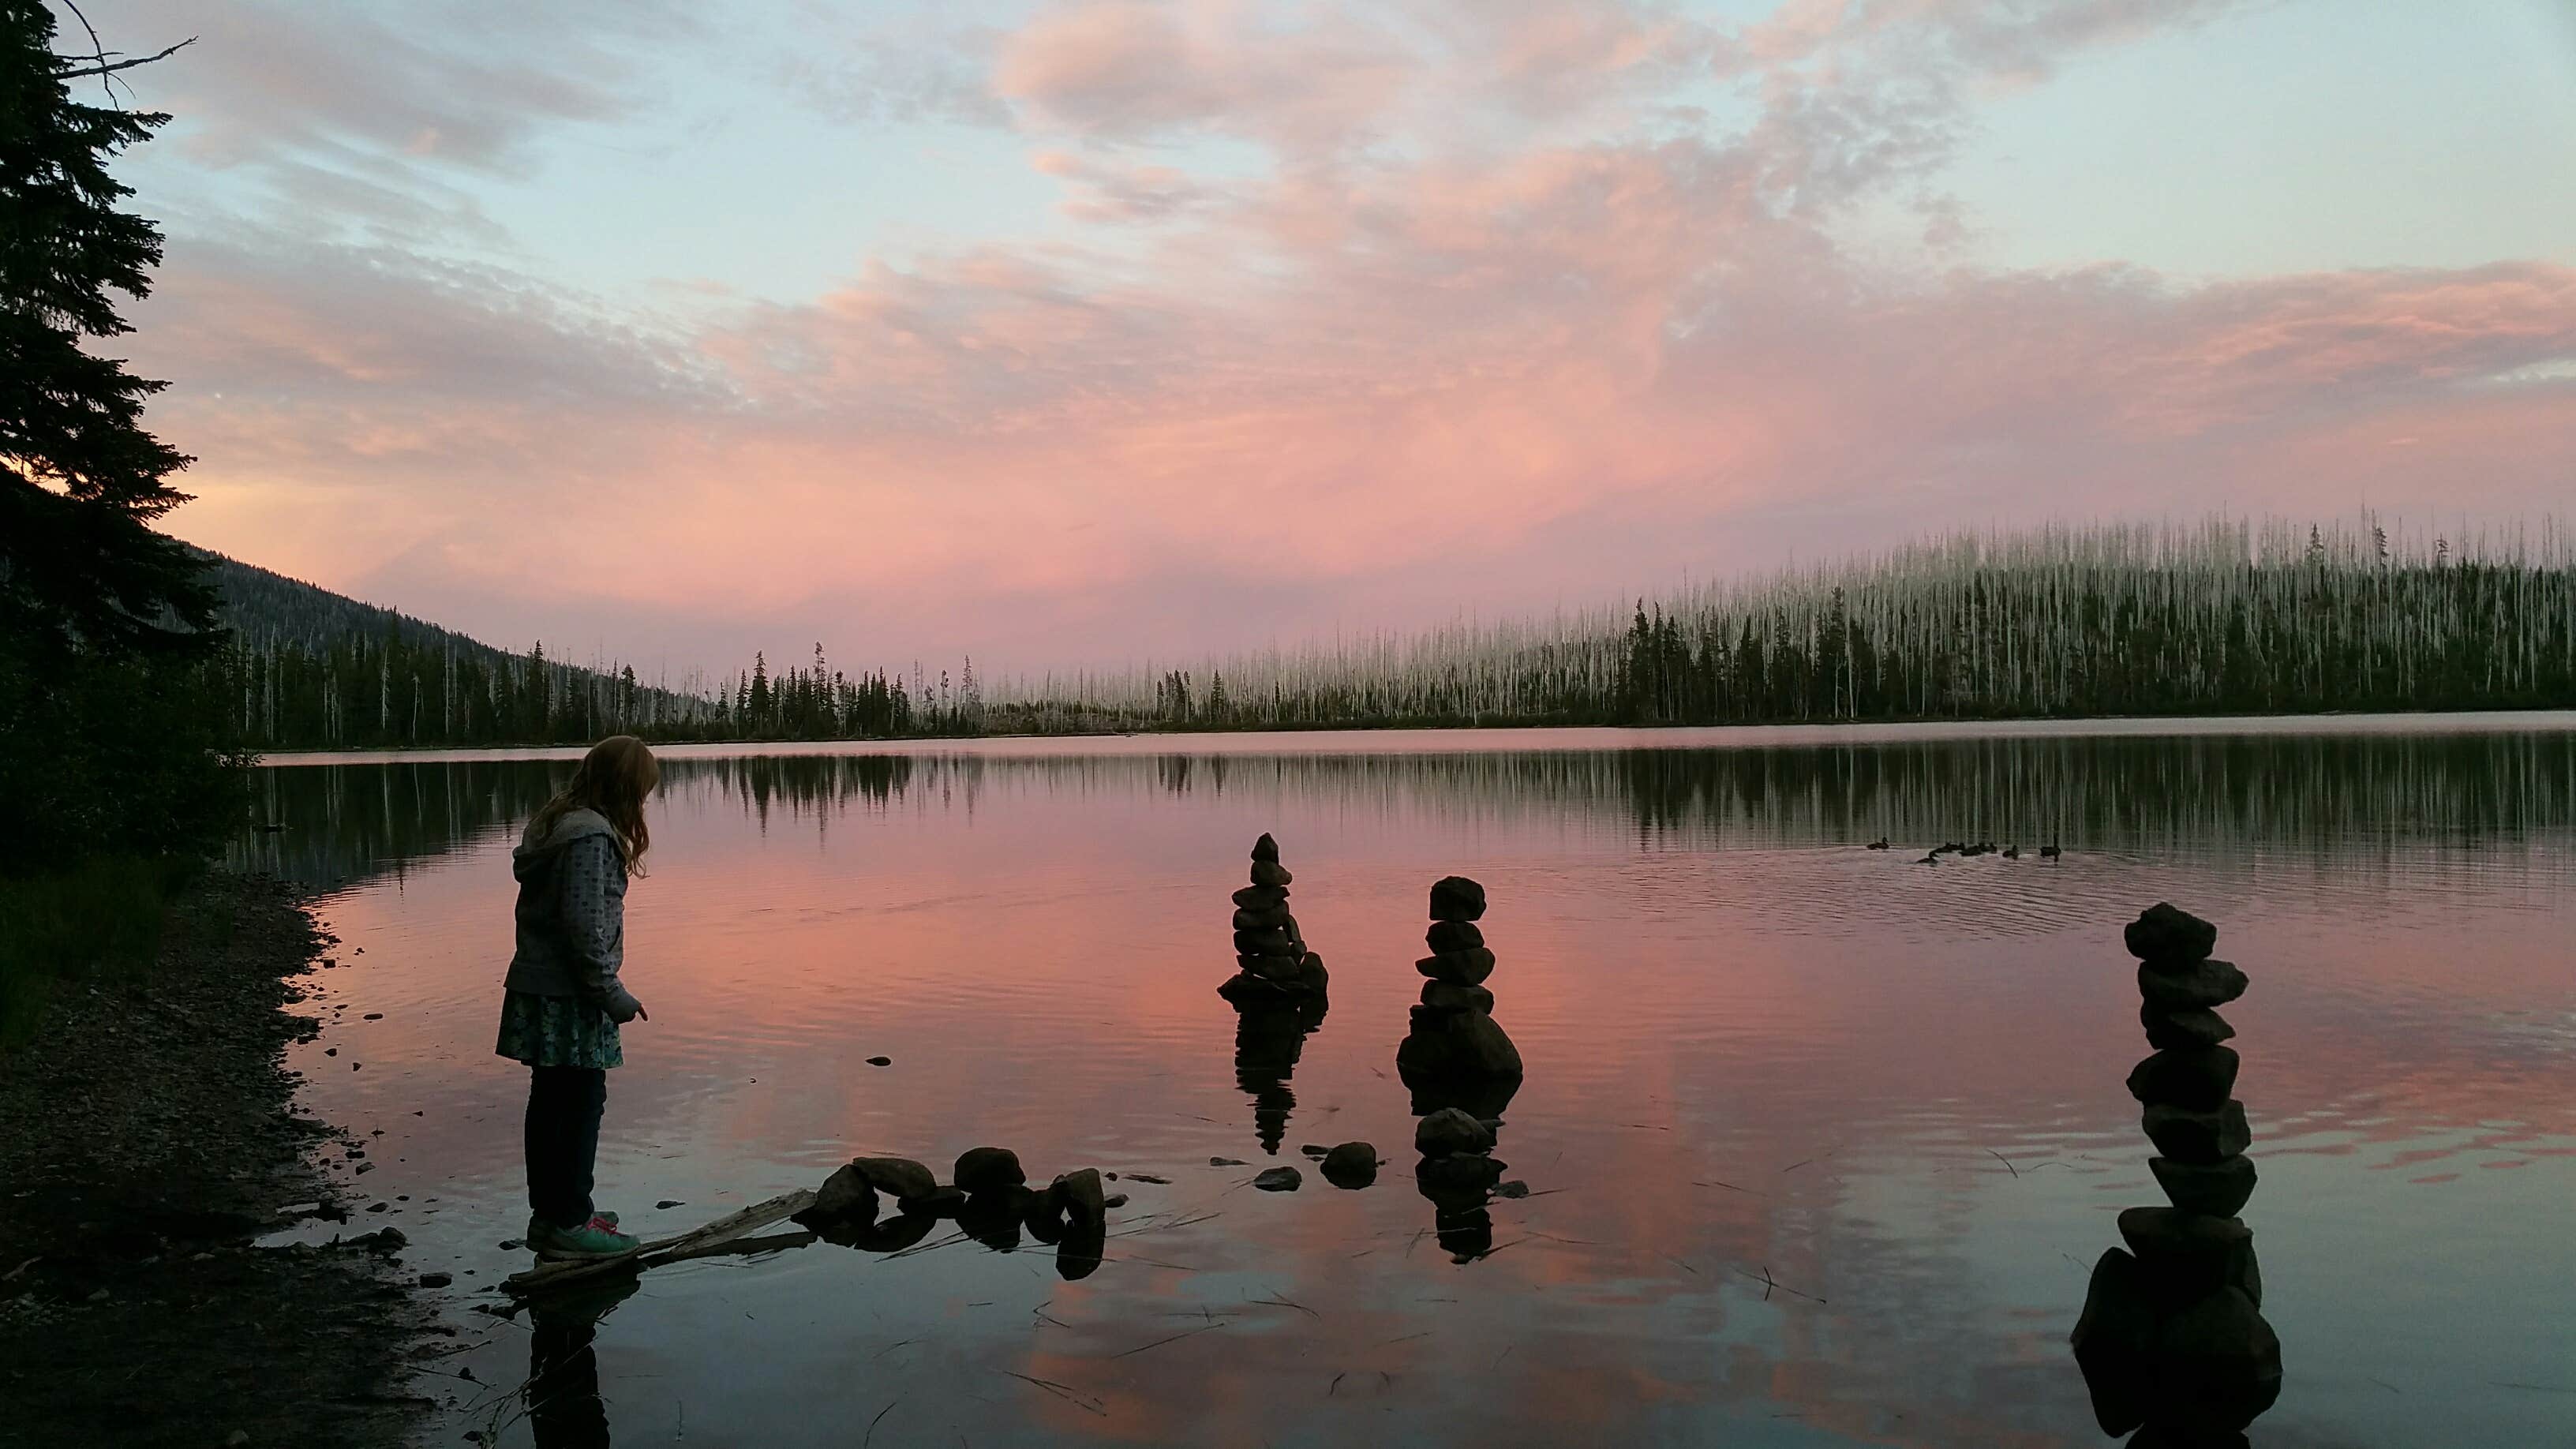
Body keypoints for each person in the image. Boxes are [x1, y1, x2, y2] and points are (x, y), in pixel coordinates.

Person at [497, 735, 657, 1259]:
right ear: (623, 789)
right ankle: (569, 1221)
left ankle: (556, 1214)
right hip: (571, 996)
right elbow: (584, 927)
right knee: (580, 1102)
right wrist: (611, 994)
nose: (643, 805)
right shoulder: (589, 837)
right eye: (641, 793)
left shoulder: (561, 825)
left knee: (552, 1100)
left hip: (545, 987)